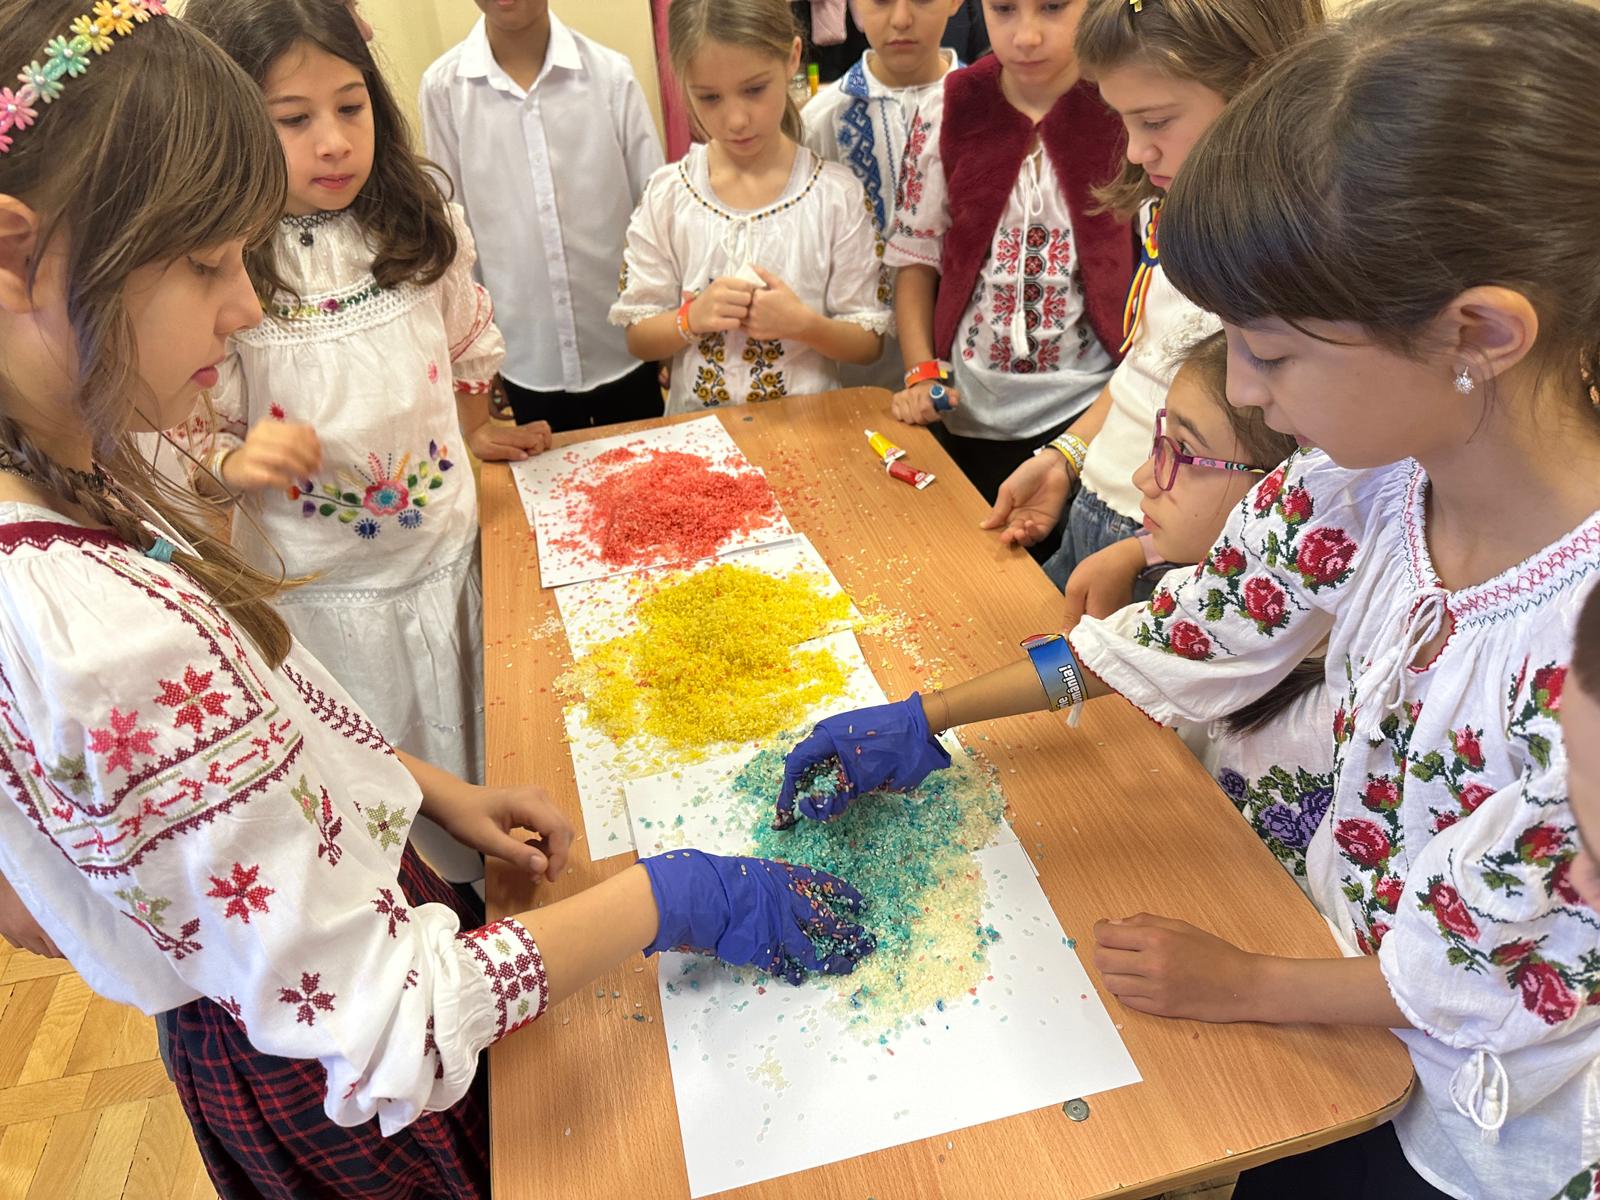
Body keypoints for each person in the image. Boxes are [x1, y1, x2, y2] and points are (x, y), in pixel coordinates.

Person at [0, 7, 872, 1197]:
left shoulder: (70, 486)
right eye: (205, 266)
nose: (245, 307)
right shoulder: (104, 640)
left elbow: (69, 879)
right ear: (17, 257)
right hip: (333, 1077)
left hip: (303, 968)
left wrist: (420, 787)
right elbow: (395, 1031)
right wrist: (671, 894)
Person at [782, 2, 1600, 1195]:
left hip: (1483, 1134)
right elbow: (1177, 639)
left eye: (1271, 350)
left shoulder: (1578, 663)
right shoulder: (1364, 484)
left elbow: (1508, 973)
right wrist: (933, 715)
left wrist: (1246, 983)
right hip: (1338, 1025)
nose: (1249, 396)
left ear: (1475, 331)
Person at [183, 0, 554, 884]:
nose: (334, 142)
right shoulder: (220, 264)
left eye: (350, 107)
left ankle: (490, 897)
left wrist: (477, 429)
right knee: (377, 815)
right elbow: (181, 428)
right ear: (230, 124)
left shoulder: (415, 223)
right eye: (293, 120)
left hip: (447, 566)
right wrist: (231, 462)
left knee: (481, 760)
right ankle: (422, 912)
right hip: (325, 603)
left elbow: (463, 342)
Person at [980, 0, 1323, 587]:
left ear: (1254, 90)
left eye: (1157, 122)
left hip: (1176, 554)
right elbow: (1147, 362)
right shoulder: (1168, 203)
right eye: (1125, 122)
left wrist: (1145, 551)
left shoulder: (1284, 251)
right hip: (1100, 505)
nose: (1136, 151)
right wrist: (1069, 456)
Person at [882, 0, 1131, 519]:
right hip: (969, 407)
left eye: (1053, 7)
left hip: (1091, 407)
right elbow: (916, 260)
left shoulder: (1125, 104)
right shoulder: (947, 108)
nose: (1027, 36)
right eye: (1004, 9)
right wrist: (920, 371)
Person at [610, 0, 889, 413]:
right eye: (709, 97)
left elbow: (868, 344)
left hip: (810, 430)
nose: (736, 120)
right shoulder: (667, 195)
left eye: (754, 89)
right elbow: (638, 337)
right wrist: (691, 318)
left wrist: (804, 324)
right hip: (701, 435)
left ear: (792, 58)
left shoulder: (836, 196)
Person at [420, 0, 666, 432]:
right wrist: (474, 354)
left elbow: (654, 213)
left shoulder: (611, 76)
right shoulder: (443, 89)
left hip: (624, 343)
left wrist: (665, 329)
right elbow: (453, 232)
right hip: (524, 356)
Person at [801, 0, 963, 389]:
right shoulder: (820, 121)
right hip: (858, 380)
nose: (901, 19)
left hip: (974, 380)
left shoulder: (991, 106)